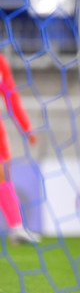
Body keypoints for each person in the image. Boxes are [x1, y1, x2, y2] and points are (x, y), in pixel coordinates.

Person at [0, 53, 38, 245]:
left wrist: (26, 128)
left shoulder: (1, 62)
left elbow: (11, 97)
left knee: (3, 174)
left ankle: (16, 227)